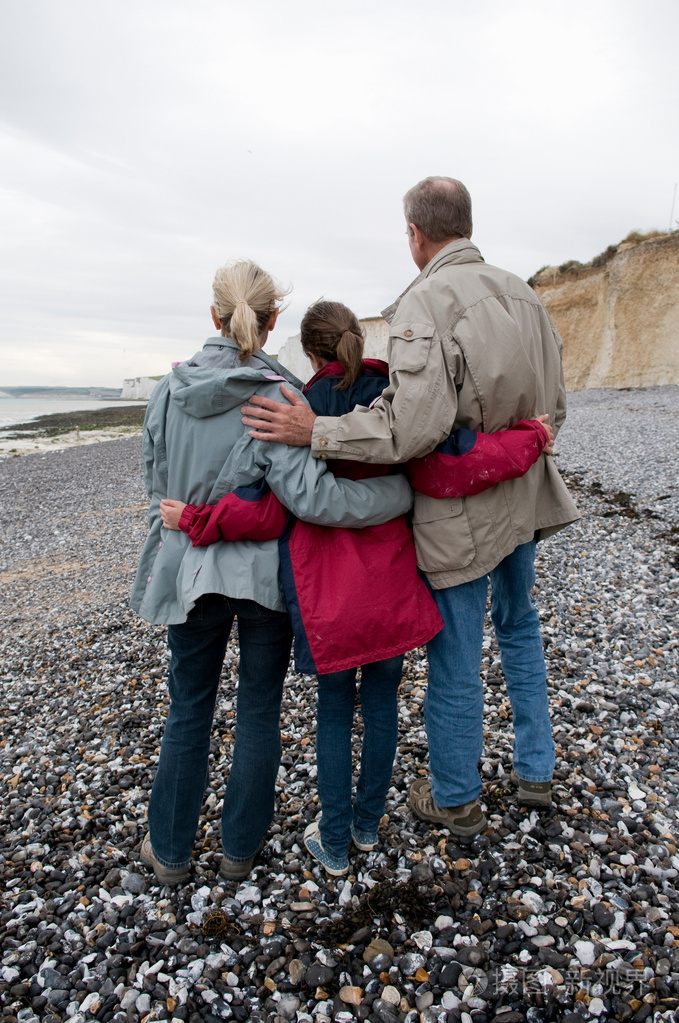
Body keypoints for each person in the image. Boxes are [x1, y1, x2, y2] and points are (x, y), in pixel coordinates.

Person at [160, 299, 553, 872]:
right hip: (392, 583)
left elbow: (268, 512)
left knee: (337, 711)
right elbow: (450, 460)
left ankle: (336, 841)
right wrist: (531, 437)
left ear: (310, 348)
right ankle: (368, 827)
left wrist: (192, 520)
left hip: (330, 594)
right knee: (384, 703)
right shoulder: (394, 398)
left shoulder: (300, 406)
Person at [240, 177, 580, 836]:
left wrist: (319, 433)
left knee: (456, 652)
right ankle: (535, 769)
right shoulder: (526, 295)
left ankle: (455, 795)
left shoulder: (425, 301)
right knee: (517, 627)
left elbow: (411, 428)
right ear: (466, 223)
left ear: (415, 235)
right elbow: (555, 408)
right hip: (526, 496)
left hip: (463, 516)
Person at [130, 261, 415, 885]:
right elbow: (312, 501)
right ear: (272, 319)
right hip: (263, 582)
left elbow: (158, 486)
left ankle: (172, 855)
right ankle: (238, 854)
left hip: (187, 573)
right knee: (258, 710)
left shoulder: (167, 390)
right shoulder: (283, 396)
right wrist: (400, 497)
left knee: (188, 709)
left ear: (214, 315)